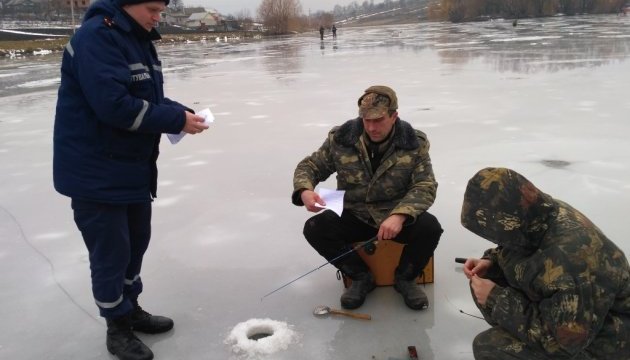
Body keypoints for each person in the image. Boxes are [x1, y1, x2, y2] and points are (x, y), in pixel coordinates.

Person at [53, 0, 209, 359]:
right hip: (95, 171)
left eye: (162, 9)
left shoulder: (138, 40)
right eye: (152, 8)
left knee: (136, 241)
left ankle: (130, 307)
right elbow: (114, 106)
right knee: (111, 252)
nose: (158, 17)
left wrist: (179, 111)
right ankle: (116, 325)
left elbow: (146, 96)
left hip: (130, 168)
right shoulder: (96, 38)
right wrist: (173, 121)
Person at [292, 85, 443, 310]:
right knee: (315, 228)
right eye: (366, 120)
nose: (371, 127)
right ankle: (361, 276)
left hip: (394, 214)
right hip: (355, 211)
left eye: (378, 120)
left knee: (430, 228)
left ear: (394, 116)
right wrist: (305, 190)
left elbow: (425, 184)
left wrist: (400, 215)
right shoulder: (341, 139)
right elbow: (311, 166)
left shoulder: (414, 143)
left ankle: (406, 278)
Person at [460, 167, 630, 359]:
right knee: (486, 280)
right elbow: (520, 247)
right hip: (577, 313)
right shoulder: (535, 215)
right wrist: (491, 262)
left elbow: (562, 345)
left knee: (490, 346)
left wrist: (496, 298)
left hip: (610, 336)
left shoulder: (572, 262)